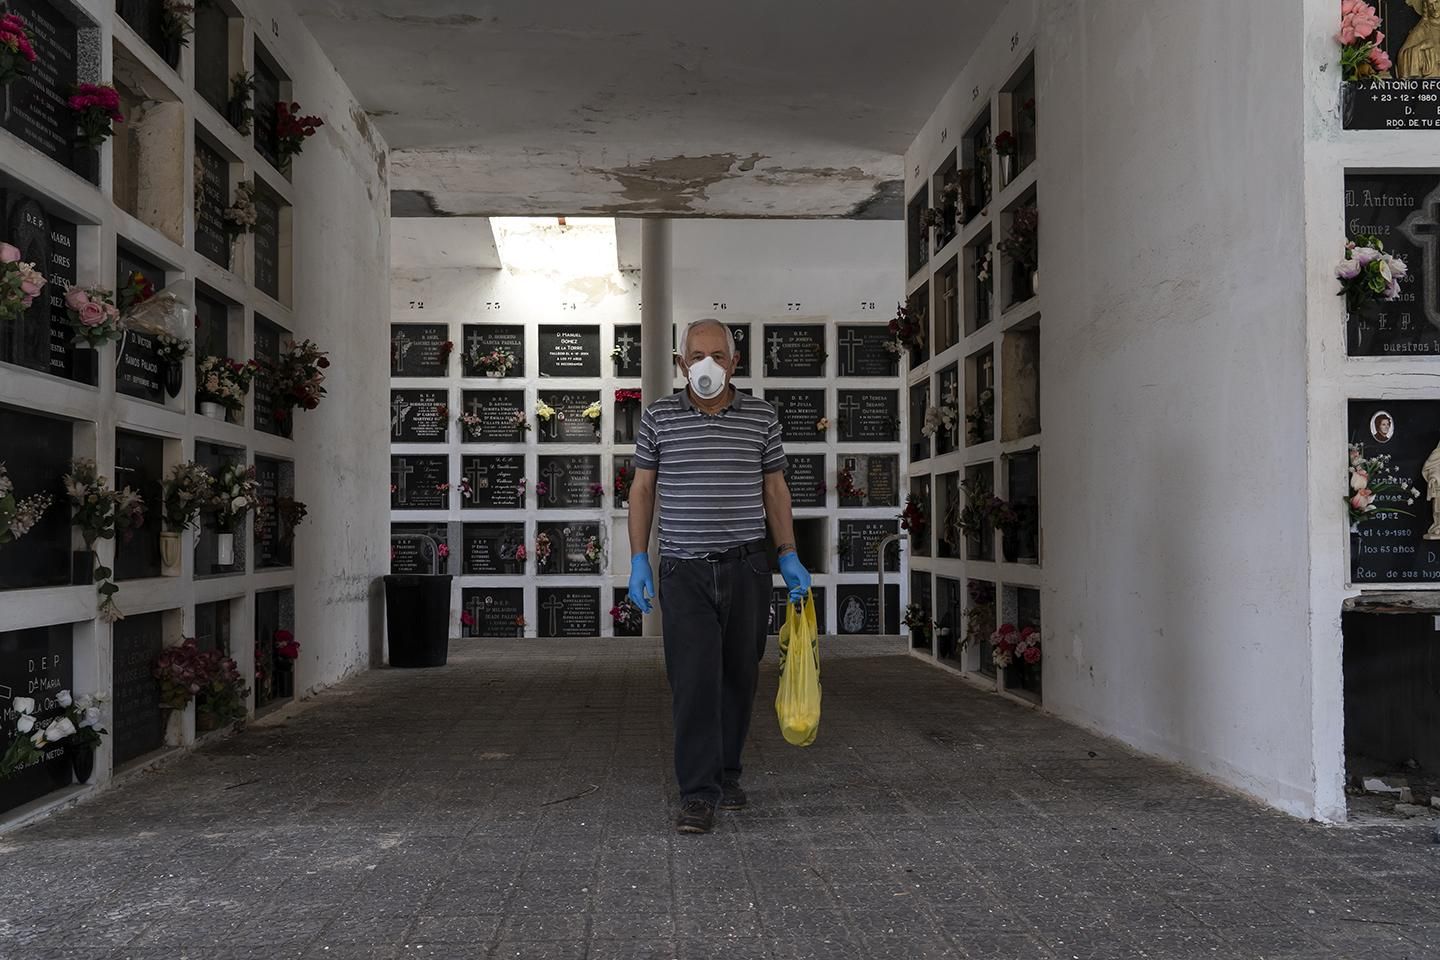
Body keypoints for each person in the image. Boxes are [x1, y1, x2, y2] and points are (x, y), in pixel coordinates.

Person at [627, 318, 811, 835]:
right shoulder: (659, 416)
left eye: (717, 354)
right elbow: (643, 489)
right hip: (685, 569)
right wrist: (640, 558)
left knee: (739, 677)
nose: (706, 365)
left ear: (734, 361)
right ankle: (697, 793)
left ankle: (727, 774)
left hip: (747, 566)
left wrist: (788, 553)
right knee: (693, 682)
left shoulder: (761, 417)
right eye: (696, 355)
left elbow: (775, 489)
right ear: (682, 363)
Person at [1399, 0, 1440, 79]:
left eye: (1437, 2)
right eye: (1430, 5)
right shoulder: (1421, 29)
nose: (1434, 8)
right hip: (1431, 78)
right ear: (1426, 7)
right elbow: (1403, 55)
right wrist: (1421, 47)